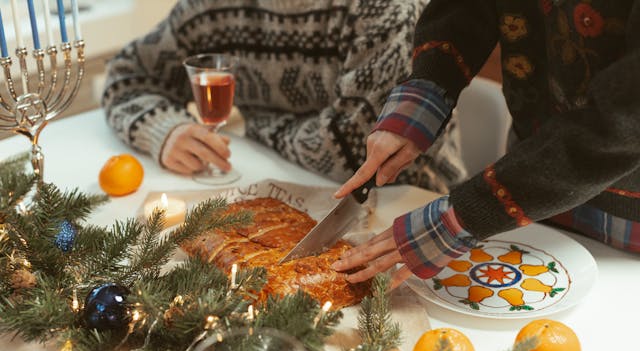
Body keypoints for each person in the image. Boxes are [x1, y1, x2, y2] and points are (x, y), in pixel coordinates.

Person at [332, 0, 640, 288]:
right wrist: (419, 104)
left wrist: (467, 213)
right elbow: (465, 9)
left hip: (628, 222)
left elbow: (624, 121)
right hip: (528, 189)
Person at [101, 0, 466, 193]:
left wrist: (253, 126)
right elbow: (127, 76)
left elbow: (353, 153)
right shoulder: (208, 7)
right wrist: (164, 131)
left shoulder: (389, 8)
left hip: (408, 203)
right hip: (274, 185)